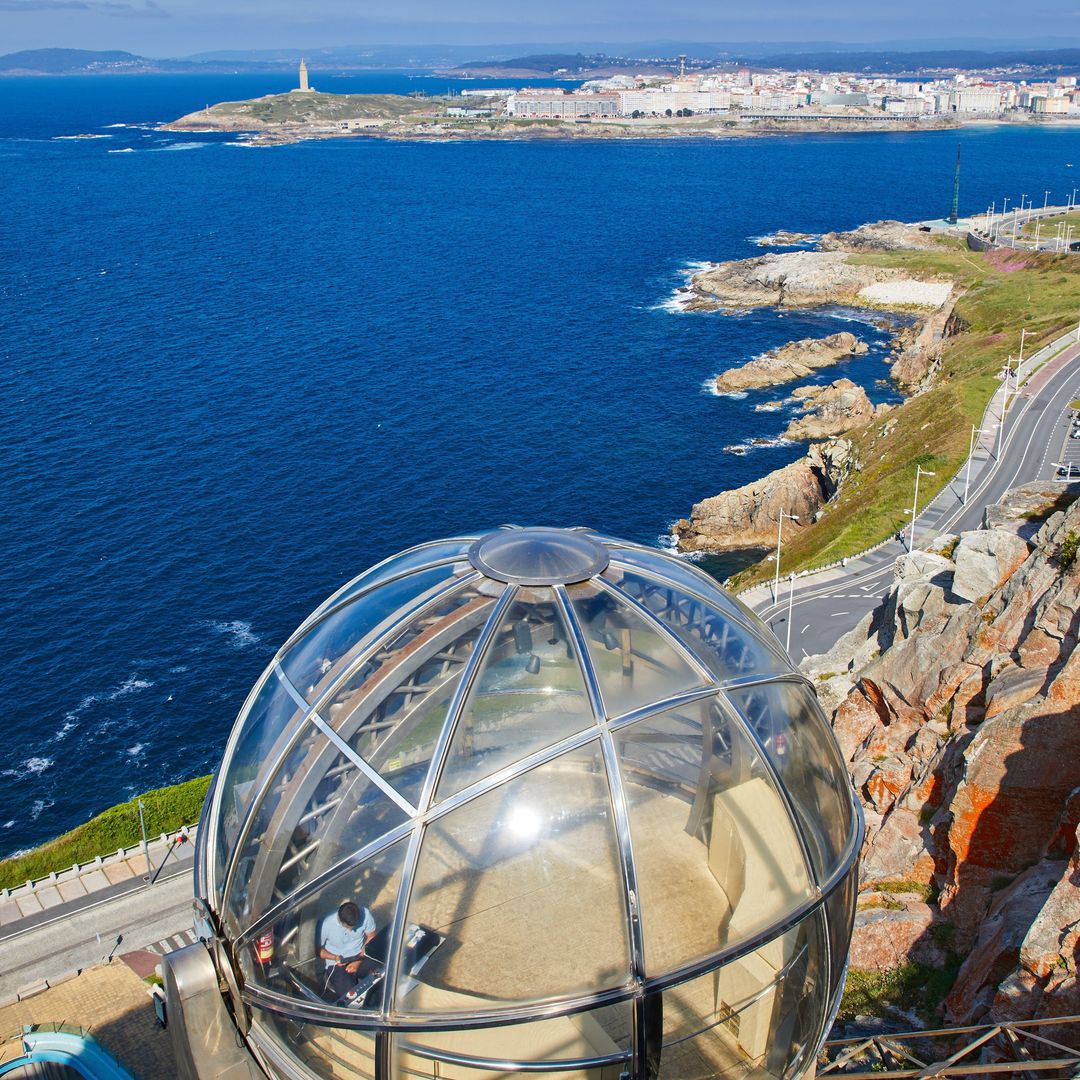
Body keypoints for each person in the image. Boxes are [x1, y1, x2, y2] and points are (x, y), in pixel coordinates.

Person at [319, 901, 377, 1001]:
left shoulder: (365, 914)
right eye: (349, 927)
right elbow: (318, 951)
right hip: (336, 963)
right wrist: (334, 957)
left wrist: (359, 960)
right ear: (341, 921)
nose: (352, 930)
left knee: (384, 972)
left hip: (360, 956)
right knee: (352, 999)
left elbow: (371, 937)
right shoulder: (325, 923)